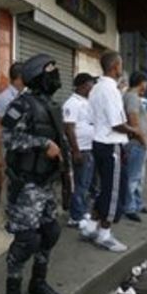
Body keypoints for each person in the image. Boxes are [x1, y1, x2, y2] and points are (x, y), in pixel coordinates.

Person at [0, 53, 69, 294]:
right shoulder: (21, 104)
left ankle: (37, 282)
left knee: (50, 232)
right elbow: (7, 137)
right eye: (51, 70)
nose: (55, 75)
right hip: (27, 185)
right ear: (38, 75)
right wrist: (42, 144)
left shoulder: (52, 105)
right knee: (26, 240)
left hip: (46, 183)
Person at [81, 52, 141, 253]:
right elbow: (117, 124)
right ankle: (104, 235)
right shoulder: (110, 90)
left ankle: (90, 227)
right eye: (121, 64)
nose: (121, 68)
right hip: (111, 145)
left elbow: (92, 118)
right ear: (115, 66)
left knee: (105, 188)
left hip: (99, 142)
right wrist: (135, 132)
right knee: (115, 191)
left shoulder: (97, 88)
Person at [62, 73, 96, 227]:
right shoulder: (72, 103)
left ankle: (82, 211)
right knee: (79, 184)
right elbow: (69, 128)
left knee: (87, 183)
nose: (92, 88)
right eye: (90, 85)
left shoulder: (86, 101)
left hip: (89, 148)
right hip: (80, 149)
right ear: (82, 86)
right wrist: (75, 151)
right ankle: (75, 217)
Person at [121, 71, 147, 221]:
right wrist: (143, 140)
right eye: (146, 83)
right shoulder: (132, 98)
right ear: (141, 82)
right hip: (137, 143)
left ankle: (137, 203)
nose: (146, 86)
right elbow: (133, 121)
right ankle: (129, 207)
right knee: (133, 177)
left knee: (139, 176)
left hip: (140, 143)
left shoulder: (134, 97)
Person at [0, 62, 25, 203]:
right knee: (8, 180)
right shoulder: (5, 97)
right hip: (8, 147)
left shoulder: (23, 96)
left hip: (20, 147)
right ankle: (5, 216)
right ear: (19, 77)